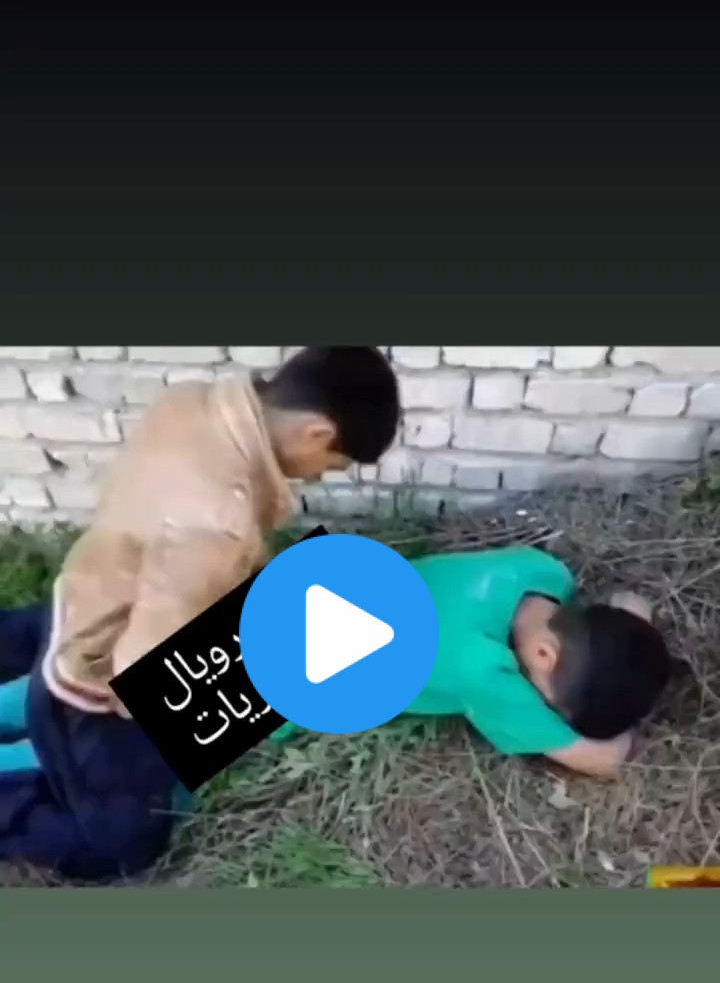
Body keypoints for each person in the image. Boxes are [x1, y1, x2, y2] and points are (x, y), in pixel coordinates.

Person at [0, 347, 401, 881]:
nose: (318, 478)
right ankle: (39, 747)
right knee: (121, 845)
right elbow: (142, 670)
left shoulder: (194, 402)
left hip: (87, 583)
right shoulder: (221, 523)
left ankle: (34, 703)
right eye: (331, 466)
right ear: (317, 433)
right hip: (90, 680)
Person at [273, 546, 671, 780]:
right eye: (552, 705)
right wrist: (618, 721)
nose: (543, 706)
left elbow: (631, 602)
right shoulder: (484, 671)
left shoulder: (542, 571)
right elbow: (605, 759)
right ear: (543, 655)